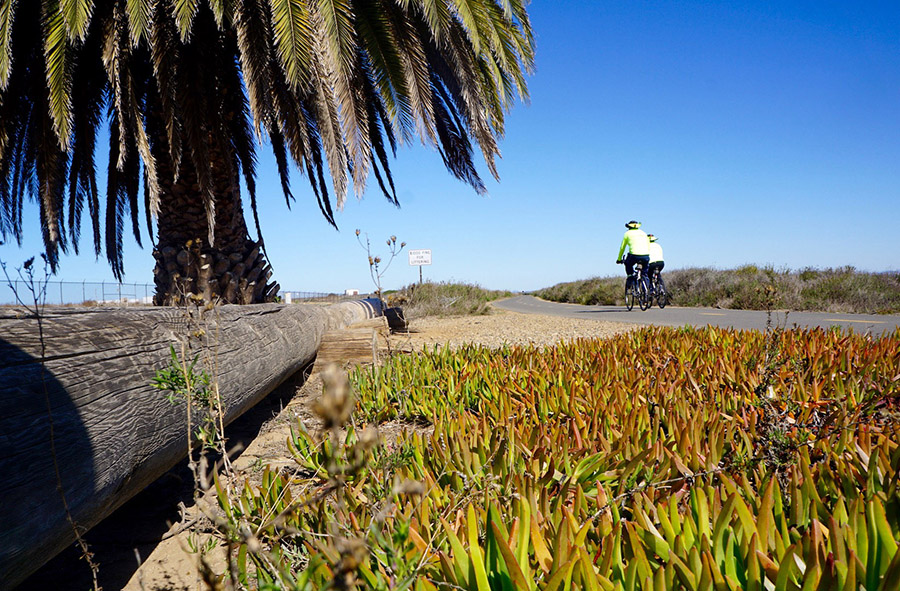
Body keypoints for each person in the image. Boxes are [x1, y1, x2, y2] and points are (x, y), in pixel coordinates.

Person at [616, 220, 650, 289]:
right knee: (645, 274)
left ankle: (630, 279)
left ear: (629, 227)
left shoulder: (627, 233)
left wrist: (619, 259)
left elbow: (622, 247)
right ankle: (647, 290)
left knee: (628, 263)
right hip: (646, 255)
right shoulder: (643, 233)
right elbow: (648, 245)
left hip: (634, 255)